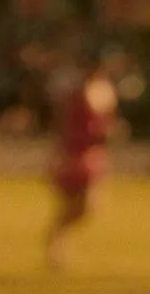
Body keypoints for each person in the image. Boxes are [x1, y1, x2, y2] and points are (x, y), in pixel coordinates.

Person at [39, 48, 125, 270]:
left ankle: (58, 236)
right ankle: (57, 245)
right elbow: (63, 123)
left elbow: (108, 121)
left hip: (94, 152)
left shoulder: (106, 91)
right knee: (70, 201)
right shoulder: (75, 92)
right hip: (75, 151)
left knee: (89, 205)